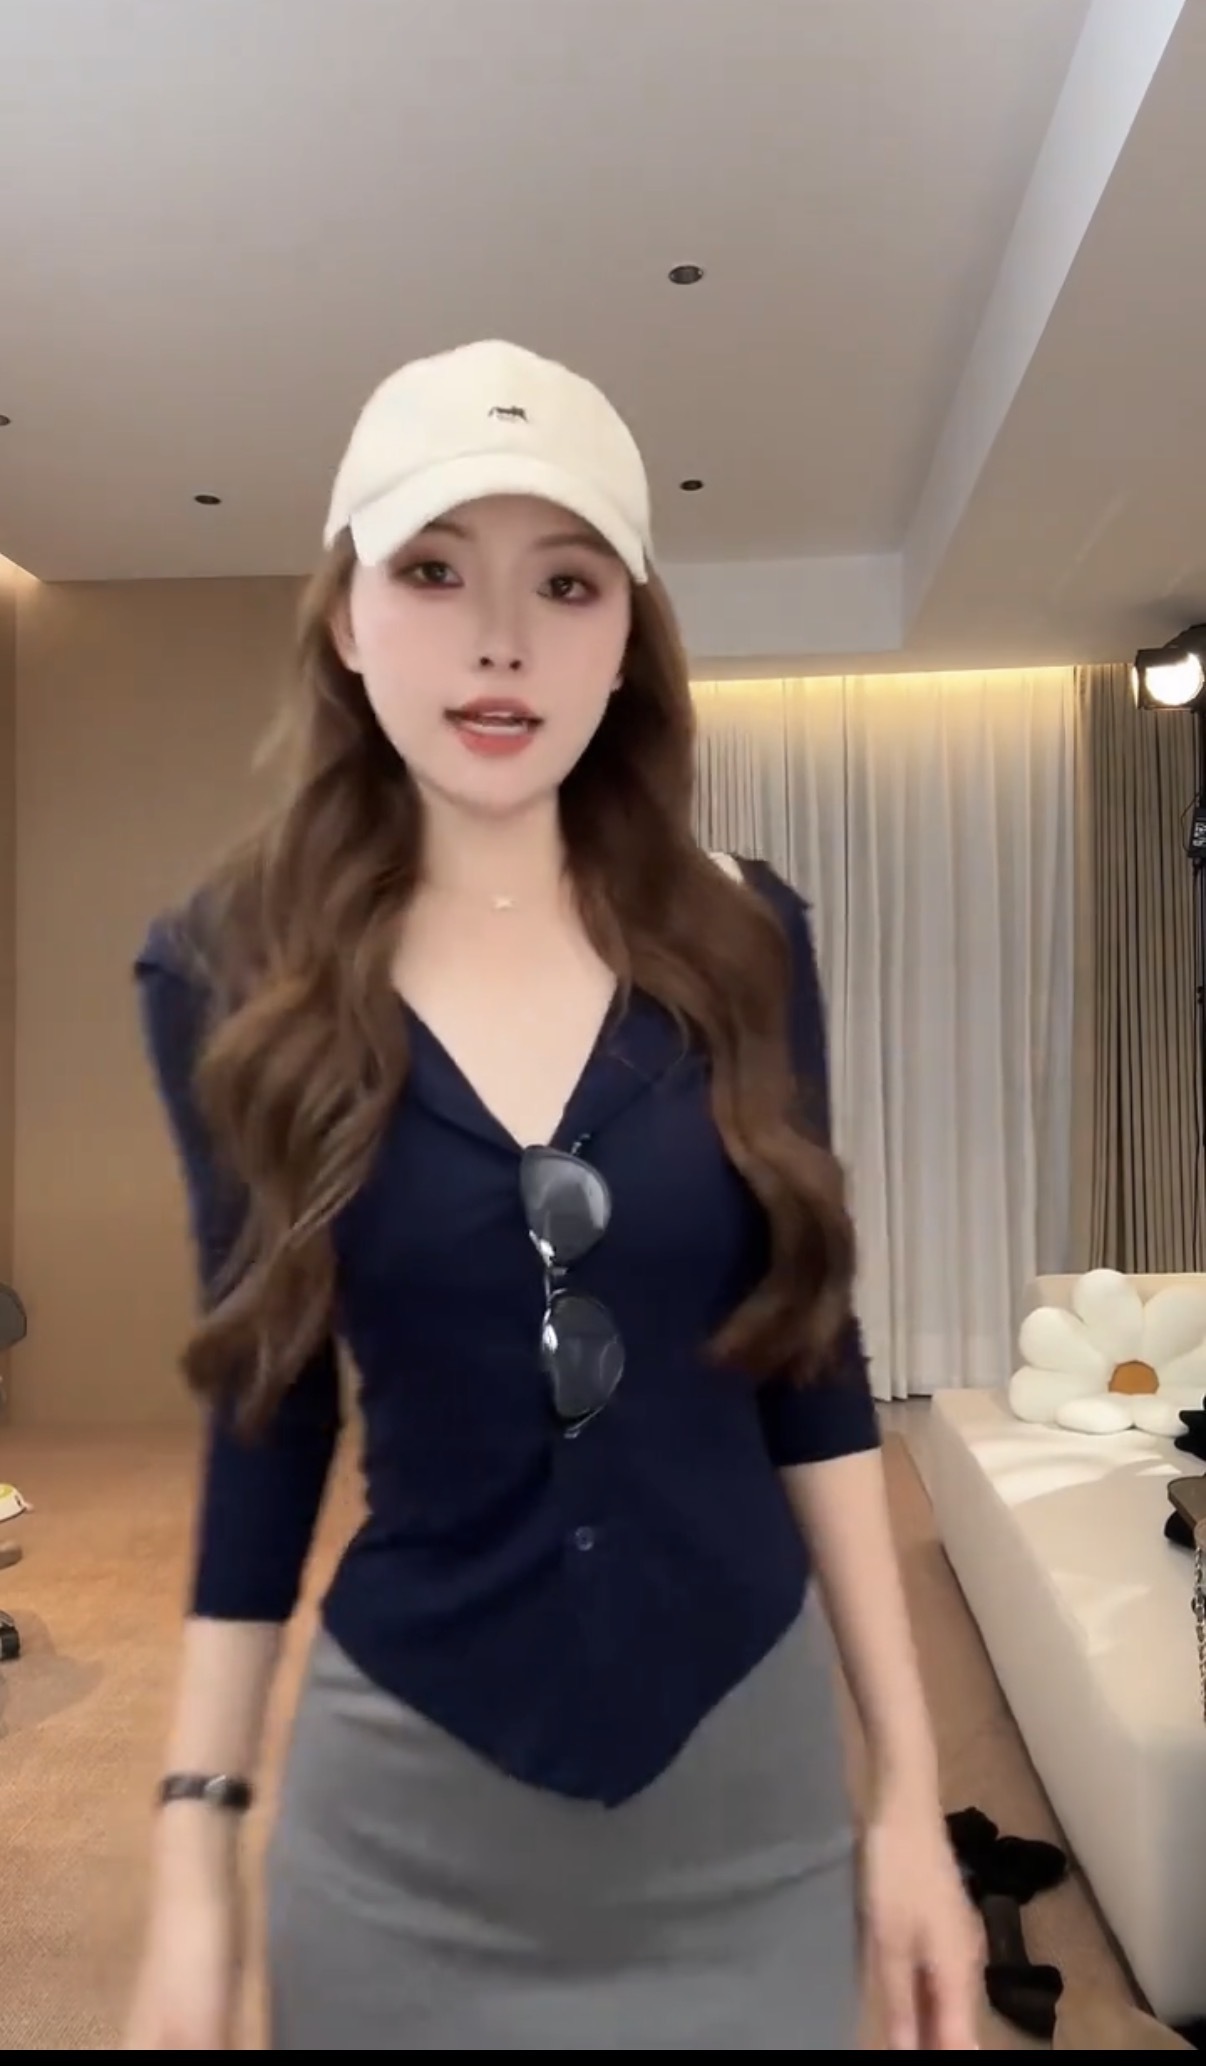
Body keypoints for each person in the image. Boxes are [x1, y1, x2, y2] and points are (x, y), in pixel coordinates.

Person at [123, 338, 981, 2051]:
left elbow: (810, 1365)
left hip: (745, 1807)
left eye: (566, 582)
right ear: (347, 616)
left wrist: (906, 1788)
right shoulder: (225, 970)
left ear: (624, 638)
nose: (501, 638)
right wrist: (193, 1850)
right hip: (403, 1833)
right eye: (435, 570)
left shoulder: (745, 934)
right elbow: (268, 1409)